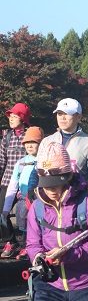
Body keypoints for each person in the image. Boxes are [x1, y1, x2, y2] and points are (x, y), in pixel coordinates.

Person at [26, 142, 88, 301]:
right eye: (46, 183)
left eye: (55, 182)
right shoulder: (36, 208)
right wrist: (38, 256)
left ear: (69, 176)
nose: (50, 189)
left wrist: (68, 256)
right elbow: (32, 243)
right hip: (49, 287)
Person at [35, 98, 88, 201]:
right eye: (59, 113)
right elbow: (36, 172)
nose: (62, 117)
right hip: (50, 202)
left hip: (77, 201)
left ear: (79, 117)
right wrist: (31, 191)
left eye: (67, 114)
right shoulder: (46, 142)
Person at [2, 126, 43, 260]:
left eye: (34, 142)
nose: (30, 146)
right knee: (24, 223)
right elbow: (12, 186)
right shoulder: (20, 164)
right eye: (27, 143)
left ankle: (36, 247)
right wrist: (6, 208)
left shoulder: (44, 161)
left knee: (37, 224)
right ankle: (26, 246)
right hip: (23, 201)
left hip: (40, 200)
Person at [0, 102, 31, 258]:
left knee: (26, 214)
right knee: (1, 213)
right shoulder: (7, 136)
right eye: (10, 116)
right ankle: (11, 241)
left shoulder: (31, 135)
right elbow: (1, 161)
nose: (11, 119)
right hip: (7, 182)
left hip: (26, 183)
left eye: (14, 116)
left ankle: (27, 245)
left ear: (23, 118)